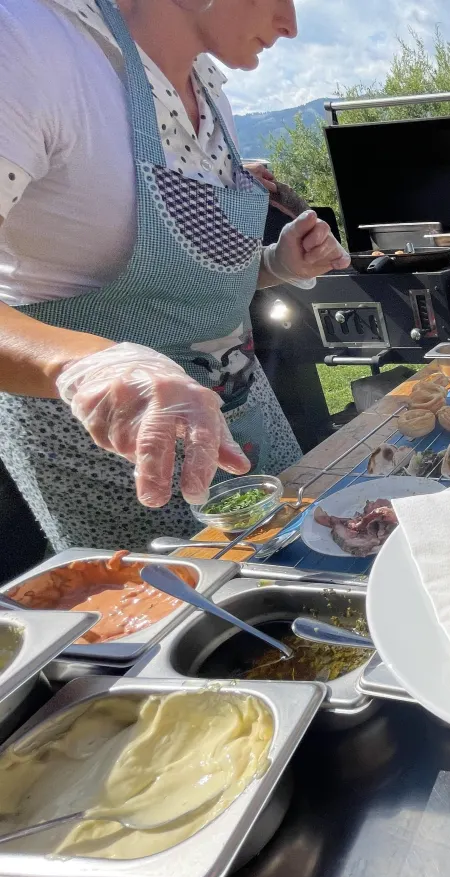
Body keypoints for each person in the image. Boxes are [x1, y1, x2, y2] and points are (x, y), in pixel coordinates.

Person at [0, 0, 350, 553]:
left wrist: (274, 265)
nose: (290, 25)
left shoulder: (214, 96)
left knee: (302, 578)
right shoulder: (32, 46)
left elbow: (175, 290)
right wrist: (81, 366)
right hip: (114, 463)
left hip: (246, 425)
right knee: (176, 629)